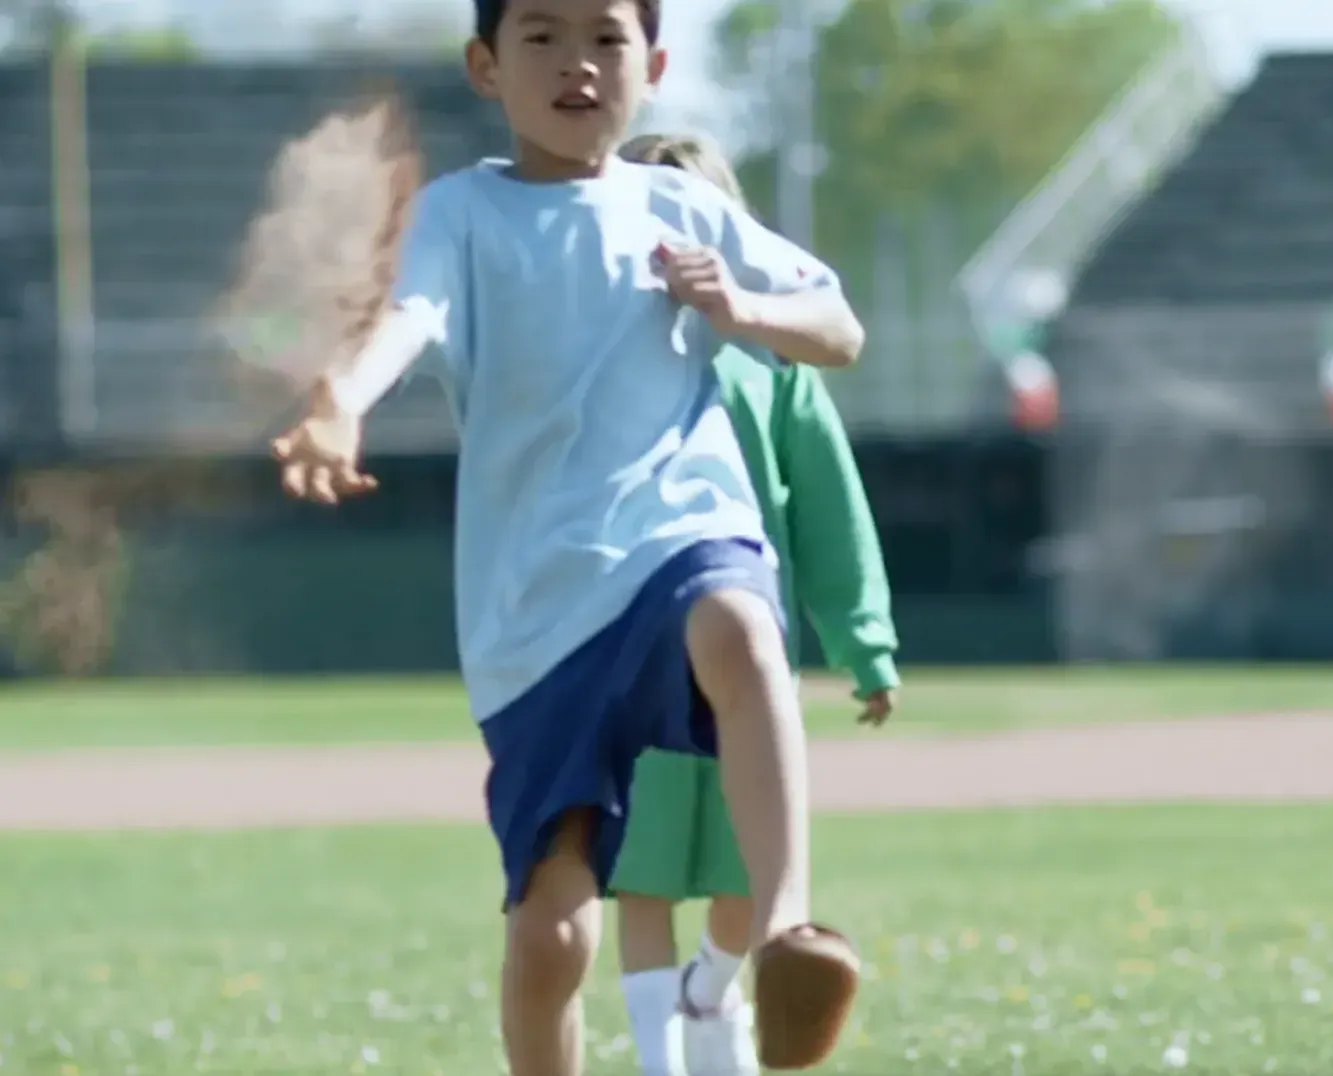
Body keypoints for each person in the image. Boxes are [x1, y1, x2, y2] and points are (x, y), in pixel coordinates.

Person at [267, 1, 865, 1073]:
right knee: (554, 934)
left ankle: (786, 934)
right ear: (486, 67)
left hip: (680, 533)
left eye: (606, 38)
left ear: (656, 65)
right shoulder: (461, 215)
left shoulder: (685, 208)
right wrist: (338, 398)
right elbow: (405, 317)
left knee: (739, 624)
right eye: (542, 36)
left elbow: (838, 325)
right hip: (536, 613)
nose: (577, 63)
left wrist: (740, 309)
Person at [608, 131, 900, 1076]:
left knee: (747, 867)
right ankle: (661, 1056)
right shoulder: (602, 362)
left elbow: (829, 509)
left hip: (746, 650)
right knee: (641, 866)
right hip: (633, 644)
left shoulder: (775, 365)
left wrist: (866, 643)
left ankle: (712, 990)